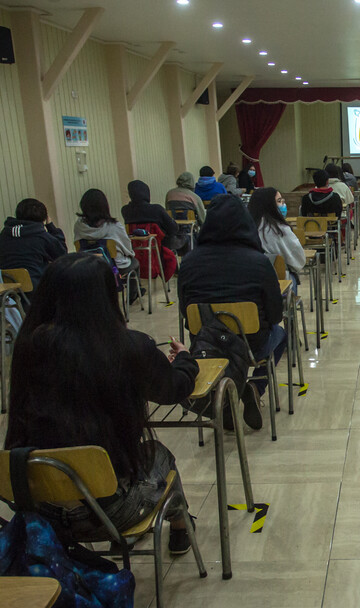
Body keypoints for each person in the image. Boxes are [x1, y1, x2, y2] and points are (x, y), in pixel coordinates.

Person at [4, 253, 199, 555]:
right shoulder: (128, 347)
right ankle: (181, 528)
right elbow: (173, 390)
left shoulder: (28, 346)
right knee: (160, 456)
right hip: (108, 511)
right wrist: (185, 360)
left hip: (37, 507)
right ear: (107, 295)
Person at [177, 195, 285, 430]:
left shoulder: (188, 262)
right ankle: (255, 387)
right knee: (282, 335)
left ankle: (223, 403)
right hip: (251, 345)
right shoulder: (258, 261)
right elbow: (276, 314)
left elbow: (186, 313)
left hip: (207, 346)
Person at [74, 188, 139, 297]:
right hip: (114, 267)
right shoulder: (114, 226)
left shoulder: (78, 225)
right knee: (135, 262)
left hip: (88, 265)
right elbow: (128, 249)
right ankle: (133, 294)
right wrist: (130, 254)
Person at [0, 197, 67, 286]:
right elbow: (62, 257)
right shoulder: (41, 236)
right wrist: (50, 226)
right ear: (44, 218)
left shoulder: (3, 235)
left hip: (7, 290)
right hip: (35, 289)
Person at [249, 187, 302, 290]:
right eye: (279, 201)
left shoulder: (245, 228)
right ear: (269, 205)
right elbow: (298, 261)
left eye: (283, 201)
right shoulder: (280, 230)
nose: (283, 204)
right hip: (278, 284)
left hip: (251, 285)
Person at [121, 179, 184, 252]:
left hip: (135, 250)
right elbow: (173, 228)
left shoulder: (125, 210)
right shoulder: (156, 209)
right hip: (160, 248)